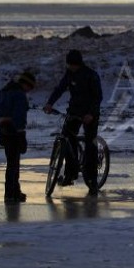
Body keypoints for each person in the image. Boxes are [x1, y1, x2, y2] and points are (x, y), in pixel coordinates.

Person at [43, 50, 103, 196]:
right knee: (67, 139)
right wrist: (50, 103)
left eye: (73, 65)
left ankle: (92, 181)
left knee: (90, 145)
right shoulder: (69, 74)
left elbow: (98, 97)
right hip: (74, 111)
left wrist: (90, 114)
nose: (71, 67)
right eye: (69, 65)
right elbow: (60, 89)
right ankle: (70, 175)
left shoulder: (91, 75)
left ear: (78, 63)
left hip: (90, 114)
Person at [0, 71, 36, 204]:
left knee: (11, 162)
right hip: (15, 131)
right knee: (14, 164)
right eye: (29, 88)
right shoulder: (19, 94)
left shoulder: (4, 91)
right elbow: (19, 115)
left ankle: (13, 191)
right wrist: (21, 133)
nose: (29, 91)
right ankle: (11, 193)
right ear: (25, 84)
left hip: (3, 129)